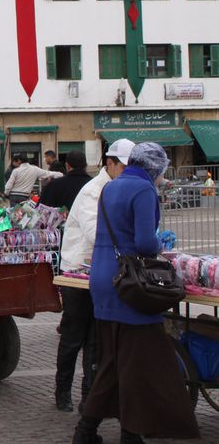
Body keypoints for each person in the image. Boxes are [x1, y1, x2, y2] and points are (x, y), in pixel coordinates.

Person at [72, 143, 200, 443]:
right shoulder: (143, 190)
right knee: (145, 361)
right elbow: (144, 243)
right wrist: (161, 244)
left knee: (115, 362)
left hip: (104, 278)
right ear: (154, 168)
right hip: (129, 286)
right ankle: (127, 430)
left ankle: (100, 431)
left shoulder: (111, 187)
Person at [54, 139, 133, 414]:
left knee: (95, 340)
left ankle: (90, 398)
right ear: (110, 164)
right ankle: (62, 391)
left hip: (100, 272)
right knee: (74, 336)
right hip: (77, 271)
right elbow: (94, 231)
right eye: (124, 165)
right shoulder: (92, 192)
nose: (128, 171)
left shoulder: (120, 188)